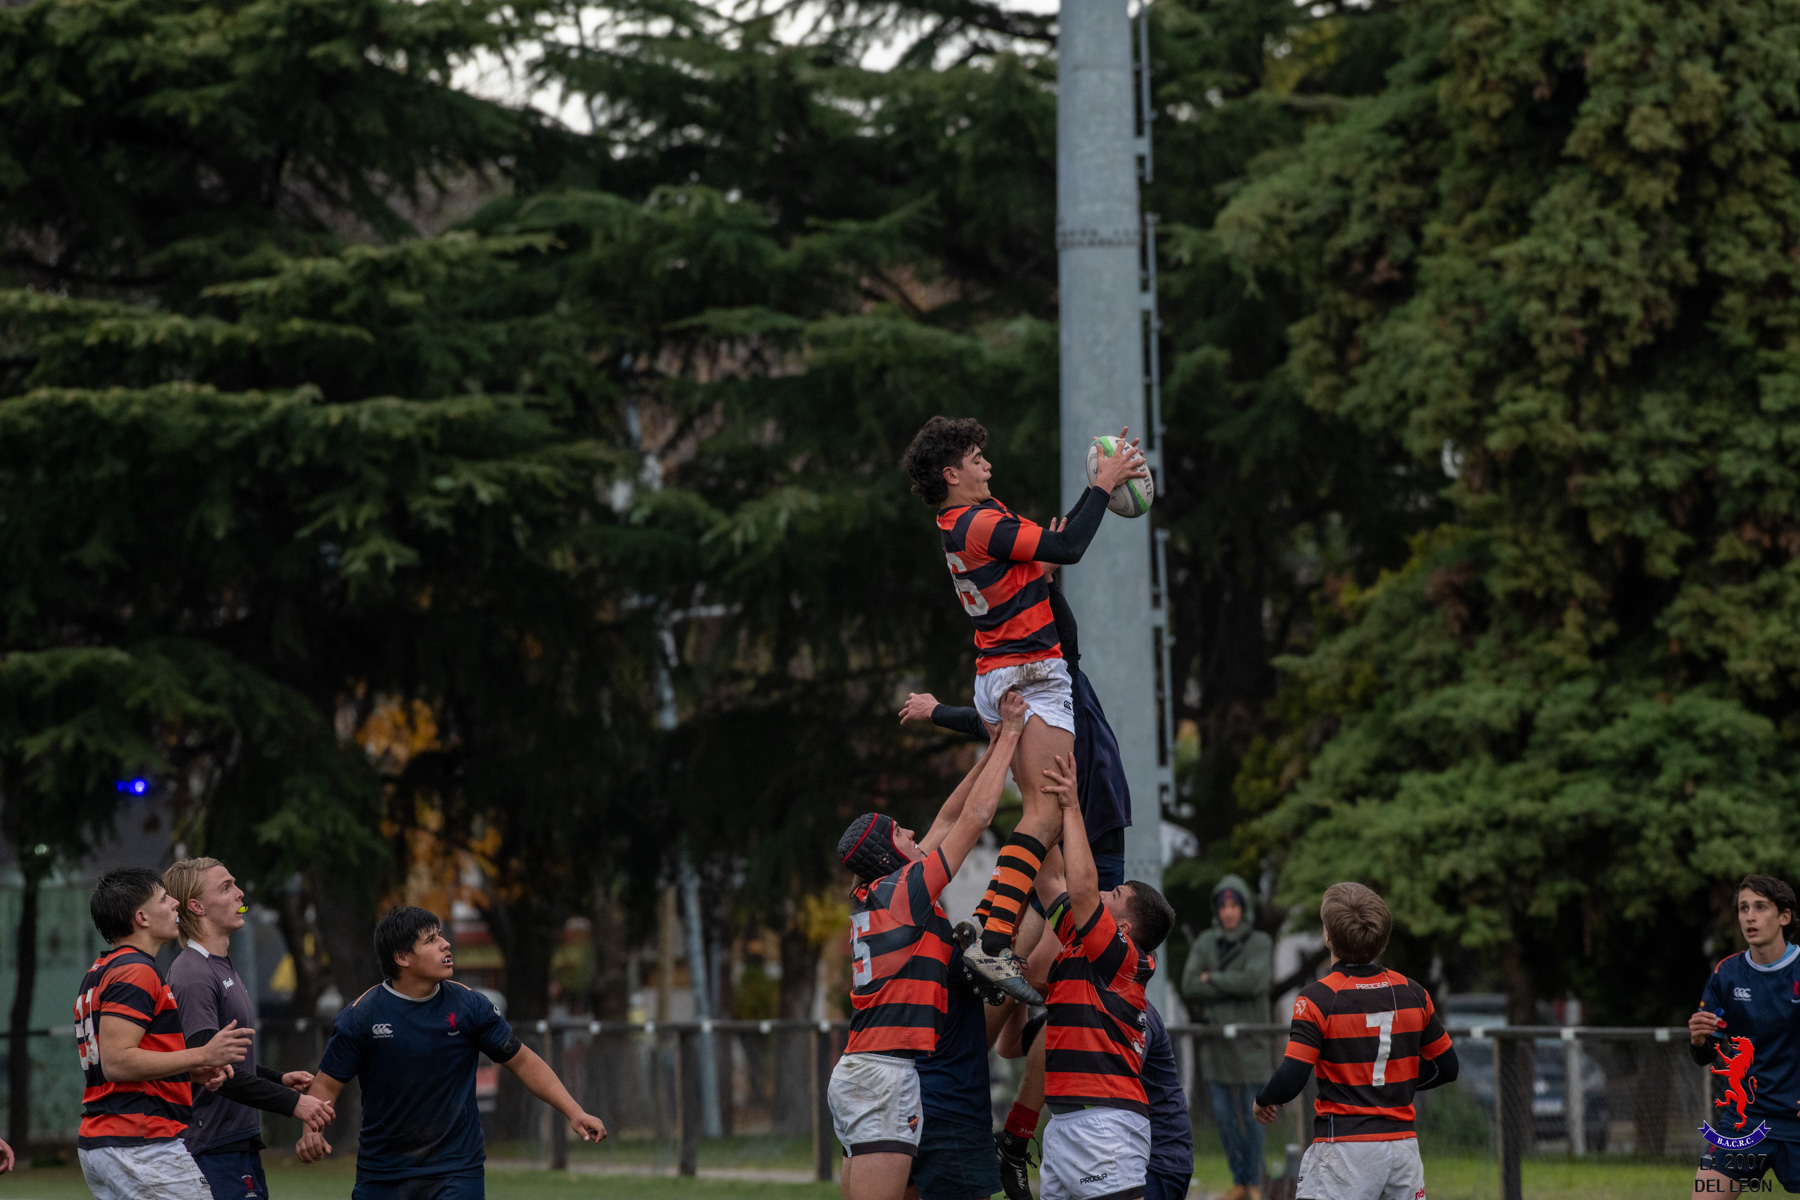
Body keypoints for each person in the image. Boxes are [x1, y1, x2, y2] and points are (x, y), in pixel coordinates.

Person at [900, 415, 1147, 996]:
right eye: (976, 457)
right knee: (1045, 811)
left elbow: (1037, 564)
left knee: (1042, 814)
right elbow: (1069, 545)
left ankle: (993, 930)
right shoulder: (979, 521)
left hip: (999, 670)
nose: (987, 464)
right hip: (1032, 673)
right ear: (951, 473)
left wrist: (1043, 566)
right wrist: (1103, 485)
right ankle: (990, 936)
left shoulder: (958, 523)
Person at [830, 689, 1027, 1200]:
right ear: (887, 855)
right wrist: (1009, 735)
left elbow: (947, 815)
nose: (914, 830)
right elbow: (975, 818)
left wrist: (993, 750)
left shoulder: (883, 893)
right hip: (883, 1074)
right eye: (899, 831)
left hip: (864, 1071)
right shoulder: (906, 892)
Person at [293, 905, 606, 1199]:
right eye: (431, 940)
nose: (445, 944)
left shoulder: (470, 1006)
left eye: (441, 935)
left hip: (456, 1170)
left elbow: (524, 1062)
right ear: (402, 957)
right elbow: (327, 1085)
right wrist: (312, 1131)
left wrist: (574, 1111)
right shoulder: (362, 1015)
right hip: (383, 1173)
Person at [1253, 882, 1459, 1200]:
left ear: (1328, 936)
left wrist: (1264, 1099)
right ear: (1382, 938)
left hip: (1345, 1149)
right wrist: (1392, 1080)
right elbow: (1447, 1067)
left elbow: (1292, 1077)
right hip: (1402, 1150)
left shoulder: (1318, 998)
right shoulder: (1412, 992)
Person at [1030, 751, 1175, 1200]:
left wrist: (1072, 806)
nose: (1103, 894)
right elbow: (1050, 880)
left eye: (1116, 894)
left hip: (1105, 1124)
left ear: (1126, 927)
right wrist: (1036, 805)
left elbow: (1080, 887)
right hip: (1066, 1122)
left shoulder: (1124, 957)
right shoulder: (1084, 940)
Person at [73, 867, 254, 1200]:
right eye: (163, 898)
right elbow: (117, 1061)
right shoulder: (136, 970)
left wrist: (190, 1070)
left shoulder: (104, 969)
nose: (175, 904)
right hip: (139, 1141)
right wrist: (203, 1054)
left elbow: (130, 1055)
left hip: (114, 1139)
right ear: (141, 917)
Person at [163, 857, 335, 1200]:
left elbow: (224, 1062)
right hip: (213, 1147)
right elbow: (209, 1069)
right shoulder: (194, 973)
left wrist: (277, 1079)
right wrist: (293, 1104)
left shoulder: (219, 965)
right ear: (196, 906)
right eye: (226, 887)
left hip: (234, 1143)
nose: (239, 893)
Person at [1690, 874, 1800, 1195]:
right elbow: (1706, 1054)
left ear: (1784, 917)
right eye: (1743, 908)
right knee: (1704, 1193)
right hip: (1746, 1120)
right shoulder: (1726, 974)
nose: (1749, 916)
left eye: (1760, 907)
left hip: (1796, 1120)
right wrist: (1699, 1040)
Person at [1180, 874, 1274, 1200]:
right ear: (1217, 910)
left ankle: (1254, 1184)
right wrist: (1226, 983)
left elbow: (1254, 982)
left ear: (1244, 908)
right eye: (1224, 906)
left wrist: (1213, 979)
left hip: (1252, 1047)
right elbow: (1190, 985)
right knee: (1225, 1119)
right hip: (1217, 1048)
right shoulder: (1206, 942)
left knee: (1255, 1117)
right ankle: (1239, 1182)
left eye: (1235, 905)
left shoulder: (1260, 942)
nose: (1229, 912)